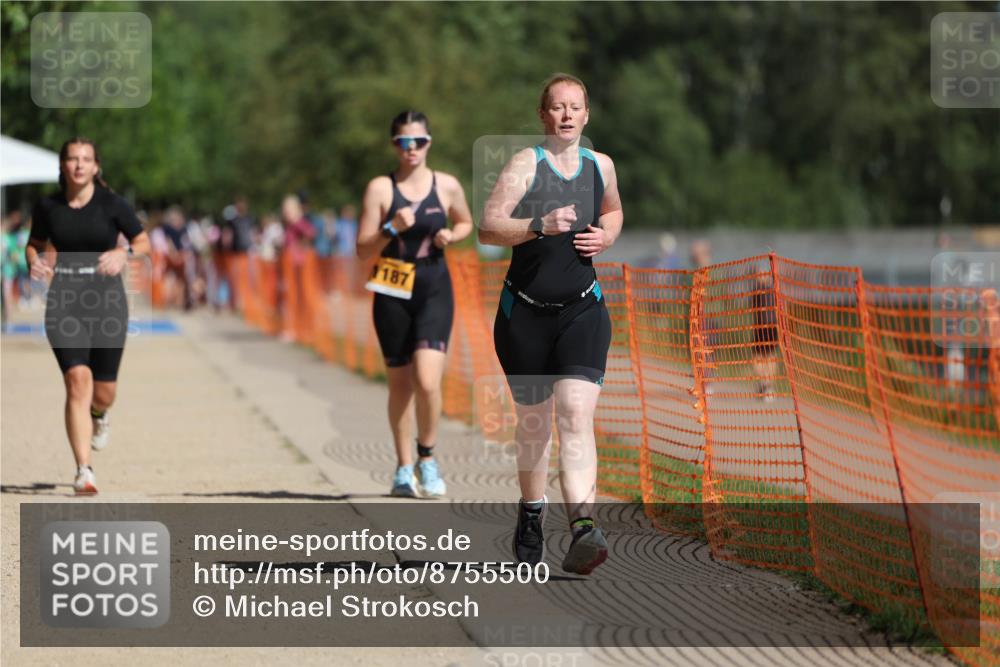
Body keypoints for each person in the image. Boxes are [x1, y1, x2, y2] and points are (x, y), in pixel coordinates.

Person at [480, 74, 623, 575]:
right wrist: (538, 225)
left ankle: (583, 527)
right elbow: (489, 226)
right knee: (535, 425)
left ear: (586, 115)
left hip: (582, 310)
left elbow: (613, 210)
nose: (566, 115)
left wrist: (606, 236)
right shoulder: (526, 164)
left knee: (575, 413)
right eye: (557, 106)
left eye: (575, 107)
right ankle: (531, 512)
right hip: (524, 317)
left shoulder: (601, 165)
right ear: (543, 115)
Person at [356, 110, 473, 498]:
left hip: (434, 286)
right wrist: (391, 228)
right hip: (392, 288)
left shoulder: (447, 185)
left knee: (427, 380)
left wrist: (452, 235)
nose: (412, 149)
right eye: (404, 142)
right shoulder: (380, 189)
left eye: (419, 141)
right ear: (394, 145)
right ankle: (404, 467)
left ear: (429, 143)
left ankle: (427, 456)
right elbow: (362, 249)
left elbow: (465, 222)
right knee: (401, 385)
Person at [25, 137, 150, 495]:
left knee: (104, 392)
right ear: (62, 165)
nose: (79, 165)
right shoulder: (48, 207)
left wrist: (123, 253)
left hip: (107, 303)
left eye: (86, 159)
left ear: (96, 167)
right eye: (72, 159)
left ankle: (100, 415)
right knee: (77, 381)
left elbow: (143, 242)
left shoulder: (113, 204)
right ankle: (84, 470)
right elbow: (34, 244)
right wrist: (34, 261)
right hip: (64, 302)